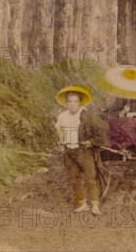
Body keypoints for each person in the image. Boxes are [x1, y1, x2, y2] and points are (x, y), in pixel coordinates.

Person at [55, 85, 109, 215]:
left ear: (79, 103)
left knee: (90, 178)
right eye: (70, 101)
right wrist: (61, 141)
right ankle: (83, 203)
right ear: (66, 103)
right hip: (69, 152)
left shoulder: (86, 115)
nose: (72, 104)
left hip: (84, 151)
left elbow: (103, 129)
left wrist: (91, 141)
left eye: (75, 101)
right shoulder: (62, 116)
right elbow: (59, 131)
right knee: (73, 179)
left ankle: (95, 205)